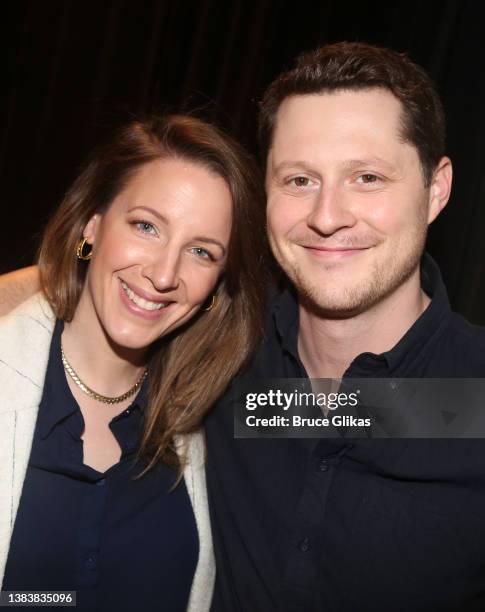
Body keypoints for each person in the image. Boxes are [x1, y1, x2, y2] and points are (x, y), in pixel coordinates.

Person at [203, 43, 485, 611]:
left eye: (368, 177)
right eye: (300, 180)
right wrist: (76, 257)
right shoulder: (221, 351)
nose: (327, 216)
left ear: (437, 190)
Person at [0, 114, 266, 611]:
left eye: (202, 252)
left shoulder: (215, 416)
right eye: (146, 226)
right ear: (92, 225)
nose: (163, 274)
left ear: (219, 284)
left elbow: (401, 414)